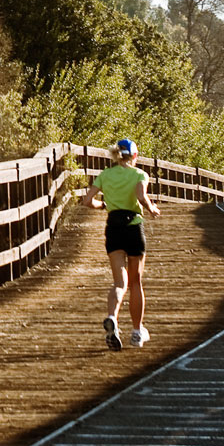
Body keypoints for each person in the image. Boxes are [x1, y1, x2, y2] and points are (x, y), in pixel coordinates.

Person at [81, 138, 160, 349]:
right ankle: (136, 332)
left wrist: (103, 205)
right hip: (133, 226)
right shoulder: (139, 174)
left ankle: (112, 318)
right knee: (136, 283)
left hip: (113, 228)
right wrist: (151, 208)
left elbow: (87, 201)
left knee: (119, 283)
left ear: (116, 155)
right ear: (134, 156)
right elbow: (141, 195)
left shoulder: (105, 175)